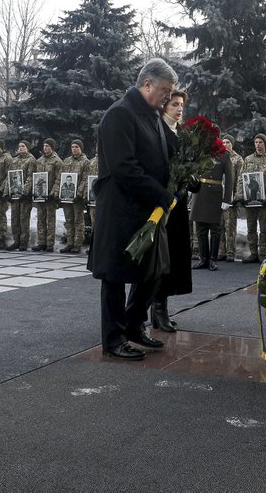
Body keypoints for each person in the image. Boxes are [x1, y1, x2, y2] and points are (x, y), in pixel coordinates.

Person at [88, 58, 177, 361]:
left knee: (152, 272)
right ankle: (113, 340)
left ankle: (134, 326)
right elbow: (124, 168)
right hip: (121, 209)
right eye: (165, 90)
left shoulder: (152, 116)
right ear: (147, 84)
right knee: (114, 276)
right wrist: (162, 195)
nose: (168, 97)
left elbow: (163, 160)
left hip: (146, 209)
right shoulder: (119, 115)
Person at [153, 90, 191, 332]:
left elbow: (189, 163)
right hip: (164, 203)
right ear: (164, 106)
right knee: (162, 258)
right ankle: (158, 309)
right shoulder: (159, 130)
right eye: (175, 104)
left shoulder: (183, 133)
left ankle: (160, 308)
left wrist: (193, 179)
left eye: (182, 106)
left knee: (175, 256)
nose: (179, 109)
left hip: (179, 204)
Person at [191, 127, 233, 272]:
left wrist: (227, 199)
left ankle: (213, 260)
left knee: (215, 229)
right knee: (200, 228)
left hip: (215, 194)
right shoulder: (200, 151)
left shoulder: (224, 155)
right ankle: (203, 258)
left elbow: (229, 179)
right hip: (200, 192)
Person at [240, 133, 266, 263]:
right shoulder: (248, 159)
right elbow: (242, 178)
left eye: (260, 142)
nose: (258, 144)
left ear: (265, 144)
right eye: (256, 142)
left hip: (264, 202)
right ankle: (253, 253)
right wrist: (242, 196)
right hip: (250, 200)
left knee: (263, 228)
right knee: (251, 227)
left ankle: (262, 253)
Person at [59, 139, 89, 254]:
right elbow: (61, 177)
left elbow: (85, 179)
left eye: (76, 147)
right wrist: (59, 192)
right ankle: (70, 243)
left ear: (81, 148)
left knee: (78, 220)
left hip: (77, 198)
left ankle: (77, 244)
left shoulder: (85, 162)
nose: (74, 149)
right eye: (72, 147)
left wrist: (79, 193)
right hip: (67, 197)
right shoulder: (66, 161)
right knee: (69, 219)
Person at [32, 140, 62, 251]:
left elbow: (59, 178)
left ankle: (50, 243)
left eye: (48, 146)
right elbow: (36, 176)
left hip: (50, 196)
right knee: (41, 219)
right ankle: (41, 242)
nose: (45, 148)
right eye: (44, 146)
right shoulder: (39, 161)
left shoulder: (57, 161)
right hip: (40, 194)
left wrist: (54, 192)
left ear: (52, 147)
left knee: (50, 219)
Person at [218, 134, 243, 261]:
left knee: (230, 226)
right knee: (220, 225)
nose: (225, 144)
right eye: (223, 142)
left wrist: (236, 197)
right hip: (218, 198)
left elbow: (240, 180)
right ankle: (221, 251)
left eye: (228, 142)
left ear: (232, 144)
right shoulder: (218, 157)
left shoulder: (238, 159)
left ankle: (230, 252)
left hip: (231, 199)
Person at [8, 141, 35, 250]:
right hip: (14, 194)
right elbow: (9, 176)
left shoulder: (31, 160)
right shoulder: (14, 160)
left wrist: (25, 192)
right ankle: (16, 240)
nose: (21, 148)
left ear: (27, 148)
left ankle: (24, 242)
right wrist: (8, 192)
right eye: (19, 146)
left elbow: (30, 176)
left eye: (23, 146)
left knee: (24, 218)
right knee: (15, 218)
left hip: (25, 196)